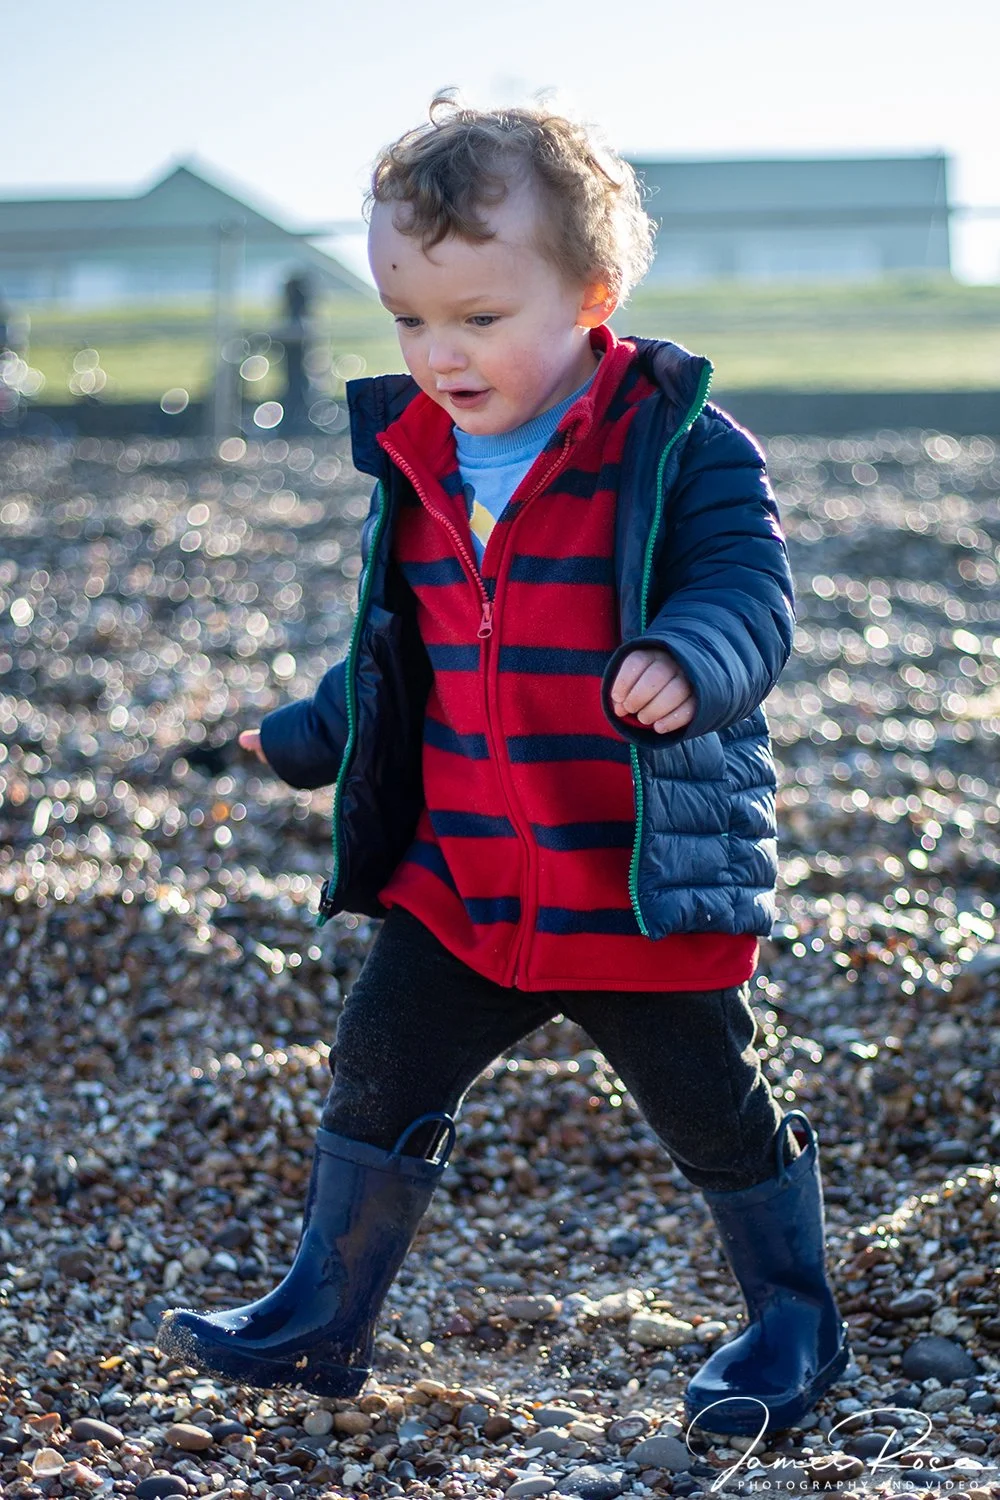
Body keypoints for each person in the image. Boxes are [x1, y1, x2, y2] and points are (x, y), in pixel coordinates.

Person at [158, 93, 850, 1436]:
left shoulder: (681, 442)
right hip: (464, 880)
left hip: (629, 880)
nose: (440, 354)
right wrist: (299, 738)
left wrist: (691, 657)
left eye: (481, 319)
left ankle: (792, 1320)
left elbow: (752, 590)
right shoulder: (419, 462)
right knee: (378, 1068)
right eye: (410, 319)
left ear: (592, 294)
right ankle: (322, 1315)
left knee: (712, 1110)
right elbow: (400, 660)